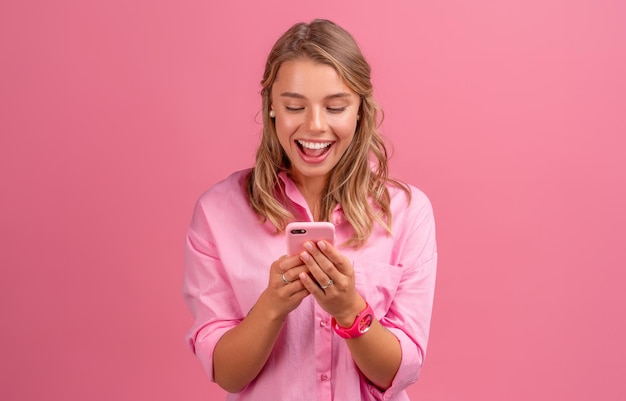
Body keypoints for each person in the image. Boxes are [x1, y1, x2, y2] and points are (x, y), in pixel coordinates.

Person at [182, 19, 437, 401]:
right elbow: (228, 376)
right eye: (294, 106)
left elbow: (400, 373)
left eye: (335, 107)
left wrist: (350, 310)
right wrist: (271, 307)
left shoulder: (406, 212)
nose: (315, 126)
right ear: (271, 107)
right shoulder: (218, 213)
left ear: (359, 112)